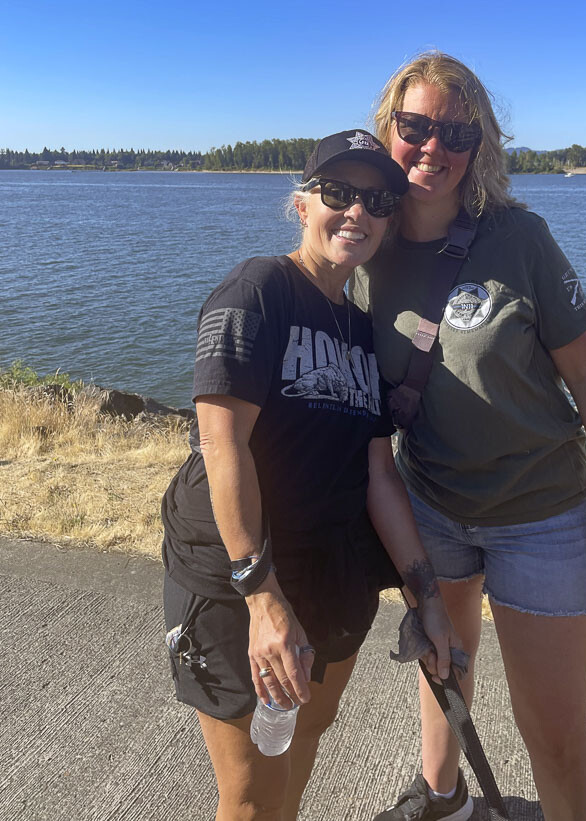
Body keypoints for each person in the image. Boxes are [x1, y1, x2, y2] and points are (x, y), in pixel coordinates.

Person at [350, 53, 586, 821]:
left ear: (480, 143)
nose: (433, 146)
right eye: (415, 126)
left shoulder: (520, 238)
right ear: (389, 127)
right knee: (444, 670)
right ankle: (444, 798)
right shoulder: (364, 247)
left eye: (455, 131)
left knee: (552, 728)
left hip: (543, 514)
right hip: (432, 506)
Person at [161, 129, 459, 821]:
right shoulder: (257, 291)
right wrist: (262, 600)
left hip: (333, 578)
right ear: (302, 205)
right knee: (253, 795)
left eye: (377, 200)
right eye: (338, 193)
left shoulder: (361, 328)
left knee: (301, 747)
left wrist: (426, 592)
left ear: (390, 220)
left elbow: (379, 473)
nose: (357, 211)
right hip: (243, 582)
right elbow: (222, 443)